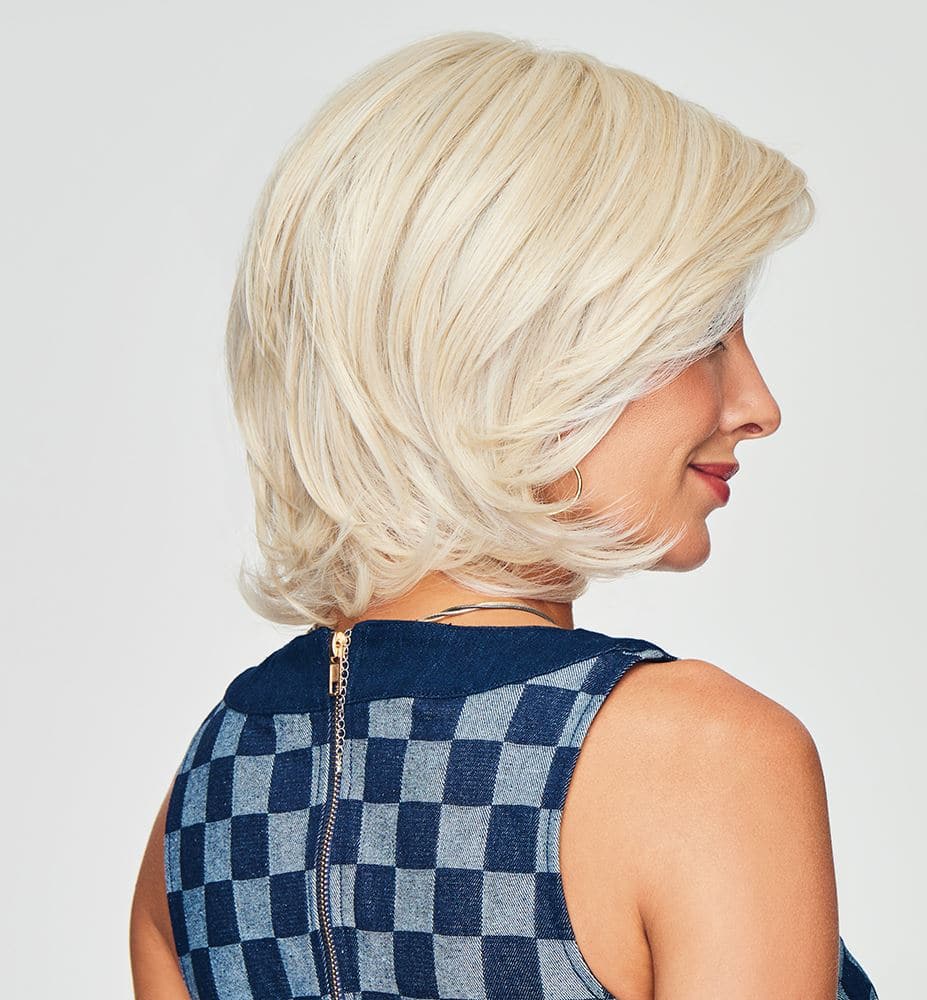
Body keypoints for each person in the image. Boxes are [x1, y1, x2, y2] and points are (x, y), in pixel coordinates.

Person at [130, 30, 879, 1000]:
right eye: (704, 335)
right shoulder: (705, 758)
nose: (758, 404)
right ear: (523, 342)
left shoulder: (201, 796)